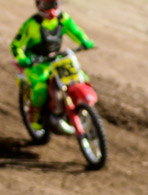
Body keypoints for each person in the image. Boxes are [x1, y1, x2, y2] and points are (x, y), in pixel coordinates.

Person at [10, 0, 94, 131]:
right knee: (40, 90)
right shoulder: (32, 24)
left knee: (80, 77)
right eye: (47, 5)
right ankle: (35, 116)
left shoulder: (63, 19)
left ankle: (81, 107)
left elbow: (75, 31)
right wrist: (22, 59)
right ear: (39, 5)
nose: (51, 9)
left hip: (56, 59)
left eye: (54, 4)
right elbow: (16, 45)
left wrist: (84, 41)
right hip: (37, 63)